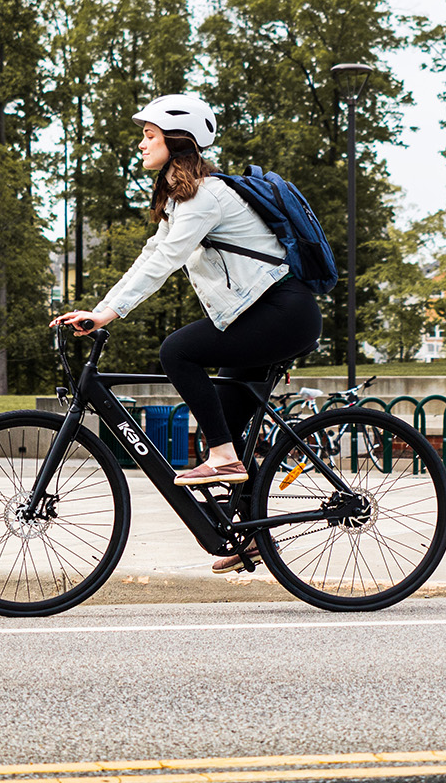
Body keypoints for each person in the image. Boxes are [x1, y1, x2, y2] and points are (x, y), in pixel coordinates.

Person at [50, 93, 323, 574]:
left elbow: (163, 262)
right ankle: (253, 535)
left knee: (177, 351)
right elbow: (150, 254)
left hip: (284, 313)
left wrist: (107, 314)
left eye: (149, 135)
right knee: (223, 435)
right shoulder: (185, 200)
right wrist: (100, 309)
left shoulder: (206, 196)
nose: (140, 144)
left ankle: (227, 461)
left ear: (178, 142)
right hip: (259, 316)